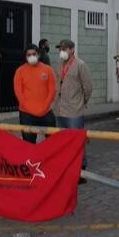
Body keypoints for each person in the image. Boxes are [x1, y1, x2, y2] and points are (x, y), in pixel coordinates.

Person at [53, 39, 93, 184]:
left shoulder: (80, 65)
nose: (61, 52)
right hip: (60, 109)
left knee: (77, 141)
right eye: (60, 49)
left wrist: (82, 102)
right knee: (63, 141)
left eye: (64, 49)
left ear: (72, 50)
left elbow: (88, 87)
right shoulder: (59, 66)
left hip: (74, 110)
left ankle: (81, 170)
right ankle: (67, 168)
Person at [13, 44, 57, 144]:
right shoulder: (20, 71)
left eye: (34, 54)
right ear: (25, 57)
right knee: (28, 143)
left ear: (38, 55)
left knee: (53, 141)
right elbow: (18, 92)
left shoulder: (48, 70)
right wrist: (28, 108)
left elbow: (52, 90)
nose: (31, 56)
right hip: (27, 114)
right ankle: (31, 160)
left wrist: (45, 106)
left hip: (46, 112)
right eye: (29, 55)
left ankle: (50, 159)